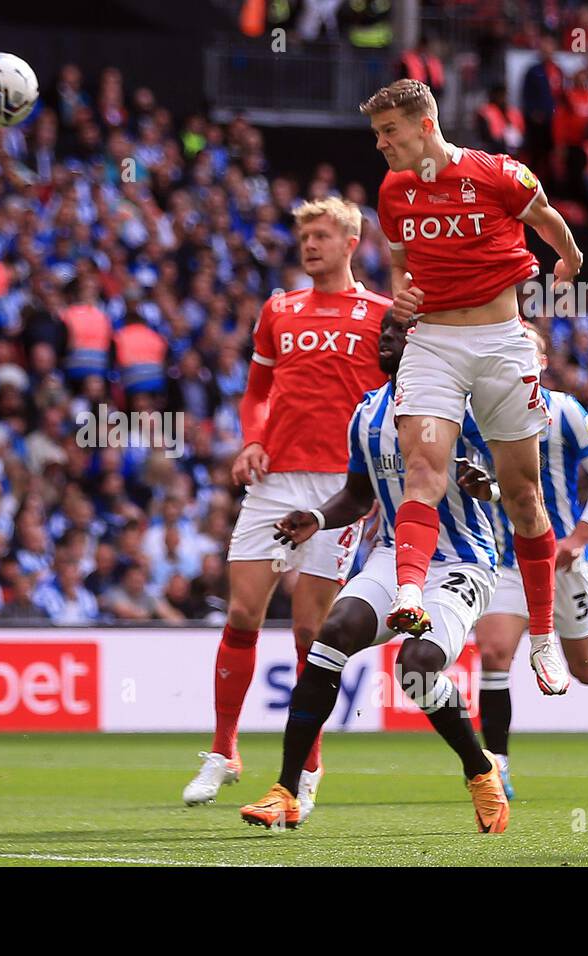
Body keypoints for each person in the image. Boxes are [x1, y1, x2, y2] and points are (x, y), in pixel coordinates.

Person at [238, 310, 509, 833]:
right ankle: (286, 791)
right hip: (391, 554)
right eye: (382, 331)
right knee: (331, 634)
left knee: (416, 664)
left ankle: (479, 770)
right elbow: (358, 496)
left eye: (397, 331)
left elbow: (509, 479)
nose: (384, 339)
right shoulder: (365, 414)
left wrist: (489, 487)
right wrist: (315, 519)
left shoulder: (463, 406)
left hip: (460, 561)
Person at [361, 78, 585, 699]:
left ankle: (542, 638)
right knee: (424, 470)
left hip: (501, 343)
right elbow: (402, 257)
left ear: (424, 126)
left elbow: (548, 221)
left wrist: (571, 260)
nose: (382, 146)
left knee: (523, 494)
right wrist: (403, 290)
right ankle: (409, 593)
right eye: (378, 135)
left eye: (390, 133)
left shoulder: (498, 174)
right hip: (432, 343)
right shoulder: (393, 191)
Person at [182, 197, 391, 815]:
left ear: (350, 242)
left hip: (339, 488)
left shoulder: (381, 314)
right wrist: (251, 439)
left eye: (322, 235)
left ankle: (306, 766)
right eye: (304, 236)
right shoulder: (278, 310)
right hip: (274, 481)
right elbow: (256, 393)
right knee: (243, 612)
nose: (310, 246)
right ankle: (223, 751)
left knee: (309, 630)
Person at [471, 326, 588, 801]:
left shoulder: (566, 410)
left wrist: (578, 537)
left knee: (585, 668)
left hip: (564, 562)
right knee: (493, 655)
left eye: (527, 351)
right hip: (508, 562)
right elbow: (499, 489)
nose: (518, 360)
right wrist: (482, 489)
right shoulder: (479, 414)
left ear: (543, 360)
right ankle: (497, 766)